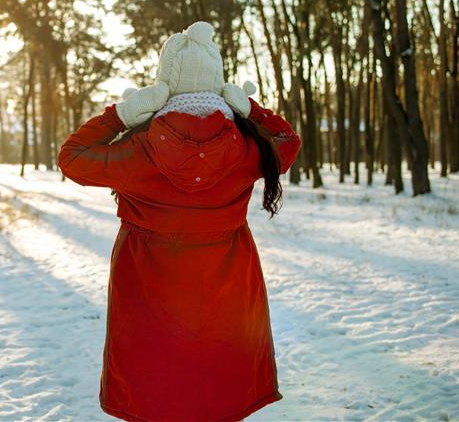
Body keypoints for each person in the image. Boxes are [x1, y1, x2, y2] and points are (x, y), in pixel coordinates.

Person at [58, 21, 302, 422]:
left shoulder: (138, 149)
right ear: (219, 85)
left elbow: (72, 156)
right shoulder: (246, 149)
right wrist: (249, 109)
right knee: (218, 390)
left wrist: (121, 115)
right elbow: (289, 142)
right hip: (228, 291)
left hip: (146, 290)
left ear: (163, 86)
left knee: (155, 390)